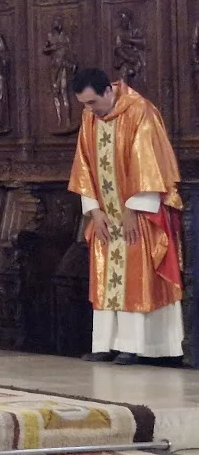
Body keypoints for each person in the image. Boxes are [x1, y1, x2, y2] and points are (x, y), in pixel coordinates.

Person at [67, 67, 183, 364]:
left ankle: (137, 345)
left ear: (108, 91)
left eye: (92, 102)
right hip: (106, 215)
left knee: (136, 275)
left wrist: (132, 210)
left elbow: (149, 163)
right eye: (84, 104)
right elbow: (83, 166)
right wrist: (94, 211)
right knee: (107, 276)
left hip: (139, 214)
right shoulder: (89, 116)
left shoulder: (140, 111)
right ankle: (106, 344)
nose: (89, 109)